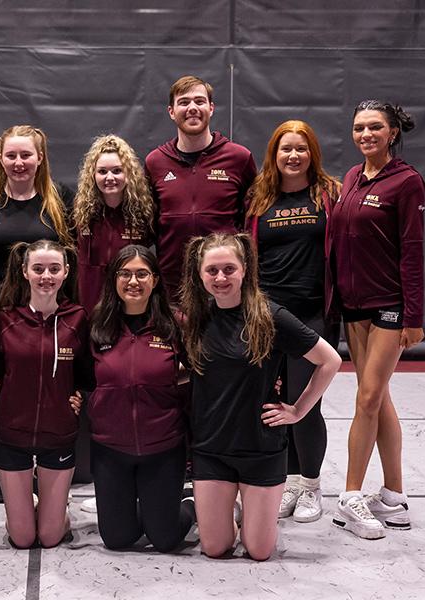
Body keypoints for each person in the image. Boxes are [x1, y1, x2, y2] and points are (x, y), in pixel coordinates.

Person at [179, 233, 341, 560]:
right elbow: (190, 370)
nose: (220, 278)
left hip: (261, 447)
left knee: (259, 550)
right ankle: (226, 508)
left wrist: (298, 411)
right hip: (211, 448)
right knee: (215, 547)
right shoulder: (195, 318)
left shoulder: (270, 316)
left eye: (229, 269)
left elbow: (330, 360)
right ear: (200, 273)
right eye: (212, 270)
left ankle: (250, 512)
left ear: (245, 270)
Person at [0, 125, 74, 502]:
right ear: (0, 158)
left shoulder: (59, 198)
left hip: (42, 311)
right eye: (11, 155)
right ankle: (4, 472)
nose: (19, 162)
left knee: (44, 389)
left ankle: (44, 471)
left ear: (40, 157)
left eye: (26, 155)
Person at [329, 101, 425, 540]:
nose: (365, 134)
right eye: (358, 128)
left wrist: (413, 316)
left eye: (374, 127)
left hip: (390, 306)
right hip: (354, 307)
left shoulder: (406, 181)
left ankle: (350, 495)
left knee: (367, 399)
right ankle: (394, 497)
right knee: (379, 396)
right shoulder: (352, 176)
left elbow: (412, 251)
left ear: (392, 133)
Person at [245, 120, 342, 523]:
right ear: (274, 153)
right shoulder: (259, 197)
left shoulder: (329, 194)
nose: (293, 155)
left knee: (304, 403)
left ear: (312, 153)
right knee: (272, 402)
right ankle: (287, 481)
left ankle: (311, 485)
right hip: (266, 314)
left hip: (311, 314)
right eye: (286, 148)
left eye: (301, 148)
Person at [76, 245, 194, 552]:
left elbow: (200, 371)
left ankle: (191, 504)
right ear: (114, 279)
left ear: (155, 279)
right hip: (110, 450)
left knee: (165, 540)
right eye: (125, 274)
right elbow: (83, 376)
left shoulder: (175, 323)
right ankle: (144, 508)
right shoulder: (97, 324)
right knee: (117, 539)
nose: (133, 281)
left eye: (142, 274)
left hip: (163, 448)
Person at [0, 239, 89, 548]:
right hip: (12, 436)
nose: (46, 276)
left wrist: (77, 395)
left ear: (66, 272)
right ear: (25, 272)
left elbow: (87, 373)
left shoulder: (78, 318)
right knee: (22, 538)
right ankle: (28, 505)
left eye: (54, 269)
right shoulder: (5, 319)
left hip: (58, 435)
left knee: (49, 536)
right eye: (39, 269)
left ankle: (55, 510)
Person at [145, 75, 257, 301]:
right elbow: (150, 222)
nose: (192, 108)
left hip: (225, 284)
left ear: (211, 108)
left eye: (199, 101)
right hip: (174, 287)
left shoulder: (239, 158)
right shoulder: (155, 162)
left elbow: (252, 220)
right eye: (184, 102)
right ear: (171, 111)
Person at [73, 135, 155, 314]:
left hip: (129, 306)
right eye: (102, 171)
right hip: (89, 305)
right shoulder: (81, 214)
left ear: (129, 174)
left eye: (117, 171)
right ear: (93, 175)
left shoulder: (143, 214)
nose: (109, 177)